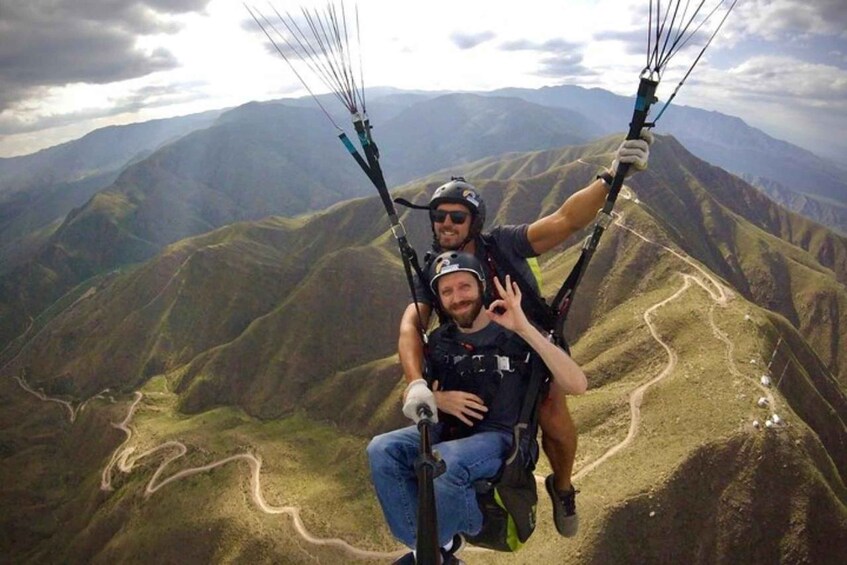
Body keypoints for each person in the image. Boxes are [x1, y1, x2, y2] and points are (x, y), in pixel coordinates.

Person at [397, 132, 652, 537]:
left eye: (457, 217)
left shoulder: (503, 244)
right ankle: (462, 506)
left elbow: (564, 221)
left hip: (530, 344)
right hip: (473, 354)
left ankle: (562, 486)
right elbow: (412, 323)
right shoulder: (436, 270)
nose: (446, 223)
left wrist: (610, 177)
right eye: (439, 216)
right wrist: (417, 384)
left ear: (474, 222)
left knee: (551, 410)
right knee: (456, 416)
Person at [368, 251, 587, 564]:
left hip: (503, 440)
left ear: (482, 287)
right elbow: (413, 398)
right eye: (447, 291)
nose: (457, 297)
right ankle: (427, 549)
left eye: (464, 286)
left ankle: (437, 546)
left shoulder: (516, 335)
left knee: (445, 462)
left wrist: (524, 328)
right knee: (381, 450)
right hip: (451, 433)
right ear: (439, 299)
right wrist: (437, 399)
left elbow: (577, 384)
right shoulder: (440, 342)